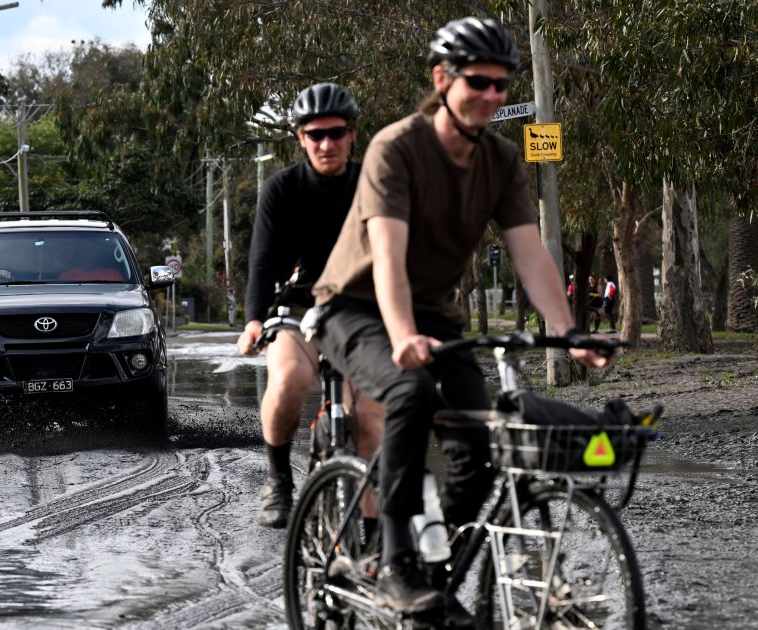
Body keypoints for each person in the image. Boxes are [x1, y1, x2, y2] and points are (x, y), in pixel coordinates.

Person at [310, 16, 611, 617]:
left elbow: (530, 253)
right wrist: (401, 338)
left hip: (436, 316)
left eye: (502, 85)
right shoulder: (396, 147)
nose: (493, 97)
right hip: (353, 307)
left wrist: (568, 332)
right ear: (442, 78)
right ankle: (393, 559)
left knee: (480, 442)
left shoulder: (500, 160)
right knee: (411, 392)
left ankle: (434, 567)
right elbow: (389, 262)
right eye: (480, 81)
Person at [235, 82, 381, 529]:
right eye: (314, 134)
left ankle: (377, 545)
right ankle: (279, 480)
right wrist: (254, 320)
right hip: (297, 309)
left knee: (372, 424)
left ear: (352, 134)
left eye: (336, 133)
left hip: (363, 310)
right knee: (292, 379)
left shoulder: (372, 184)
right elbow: (262, 260)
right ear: (300, 138)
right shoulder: (282, 189)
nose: (326, 143)